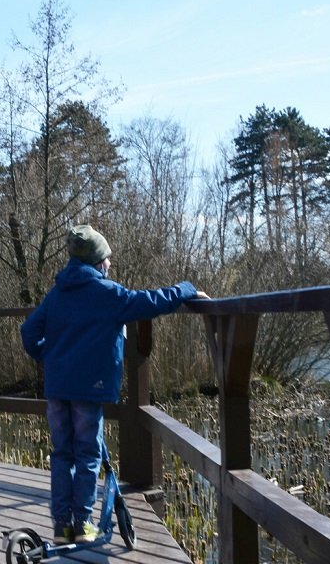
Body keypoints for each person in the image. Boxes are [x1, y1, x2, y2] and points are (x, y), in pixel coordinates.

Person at [21, 223, 208, 545]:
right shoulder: (107, 294)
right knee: (88, 454)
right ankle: (83, 524)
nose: (110, 265)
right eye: (107, 259)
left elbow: (28, 332)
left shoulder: (56, 295)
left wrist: (48, 357)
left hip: (57, 387)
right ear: (98, 262)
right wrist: (188, 288)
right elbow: (153, 301)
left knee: (62, 454)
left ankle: (62, 526)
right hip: (88, 388)